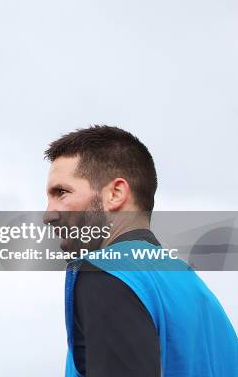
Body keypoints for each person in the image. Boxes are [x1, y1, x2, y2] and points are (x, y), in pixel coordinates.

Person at [43, 125, 238, 376]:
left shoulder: (107, 272)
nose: (48, 214)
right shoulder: (196, 290)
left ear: (115, 194)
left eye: (61, 192)